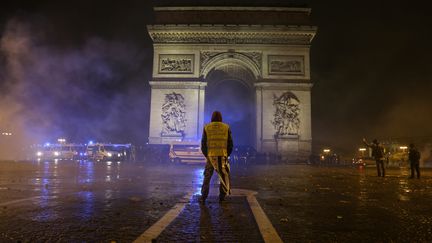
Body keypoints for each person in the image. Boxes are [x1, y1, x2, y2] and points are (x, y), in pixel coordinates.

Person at [200, 111, 234, 204]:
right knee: (223, 176)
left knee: (207, 177)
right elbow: (230, 144)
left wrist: (207, 155)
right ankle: (222, 197)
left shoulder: (207, 127)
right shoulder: (226, 127)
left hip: (211, 156)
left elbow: (203, 144)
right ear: (221, 118)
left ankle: (203, 197)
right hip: (222, 156)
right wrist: (227, 154)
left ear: (212, 118)